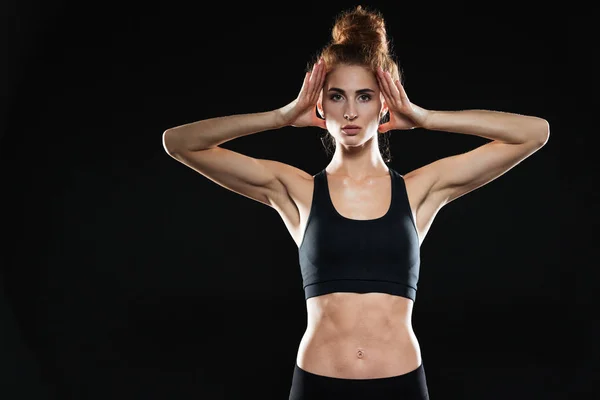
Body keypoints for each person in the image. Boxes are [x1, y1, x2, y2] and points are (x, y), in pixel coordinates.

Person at [161, 5, 549, 399]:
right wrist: (280, 115)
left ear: (384, 103)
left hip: (401, 384)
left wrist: (426, 117)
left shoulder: (419, 191)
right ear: (319, 105)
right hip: (317, 383)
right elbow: (179, 143)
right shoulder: (296, 190)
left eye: (364, 97)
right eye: (336, 97)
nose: (349, 112)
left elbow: (533, 133)